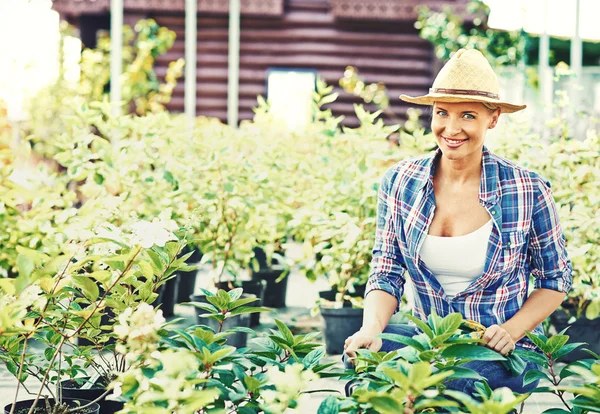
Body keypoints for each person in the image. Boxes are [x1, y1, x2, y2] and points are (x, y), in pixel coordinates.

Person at [343, 49, 572, 395]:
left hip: (501, 346)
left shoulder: (527, 189)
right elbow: (386, 271)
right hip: (429, 338)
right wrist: (371, 328)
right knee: (363, 364)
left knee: (455, 384)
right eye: (442, 113)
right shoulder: (401, 181)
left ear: (492, 119)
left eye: (467, 115)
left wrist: (510, 330)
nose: (451, 128)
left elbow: (556, 278)